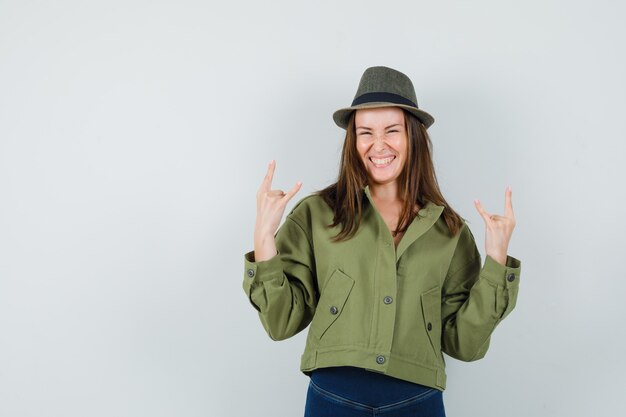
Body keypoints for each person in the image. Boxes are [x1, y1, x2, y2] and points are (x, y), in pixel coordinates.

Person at [242, 66, 521, 417]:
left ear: (413, 137)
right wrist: (263, 238)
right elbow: (281, 323)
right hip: (333, 399)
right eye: (365, 132)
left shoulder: (448, 231)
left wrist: (497, 263)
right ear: (353, 140)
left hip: (417, 403)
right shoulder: (316, 214)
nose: (378, 145)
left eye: (392, 130)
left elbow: (464, 345)